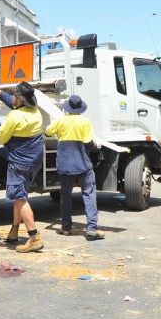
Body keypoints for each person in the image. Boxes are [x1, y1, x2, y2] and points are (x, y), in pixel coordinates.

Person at [0, 81, 45, 253]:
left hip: (19, 163)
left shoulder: (15, 117)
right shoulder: (35, 112)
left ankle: (34, 237)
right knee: (19, 197)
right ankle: (14, 232)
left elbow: (1, 138)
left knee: (19, 199)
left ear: (19, 99)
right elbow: (13, 102)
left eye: (14, 96)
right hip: (34, 162)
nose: (12, 97)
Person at [45, 95, 102, 240]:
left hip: (64, 164)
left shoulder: (61, 120)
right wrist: (96, 147)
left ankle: (66, 228)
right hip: (82, 163)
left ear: (68, 107)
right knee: (89, 193)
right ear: (80, 108)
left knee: (65, 196)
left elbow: (47, 132)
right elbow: (89, 143)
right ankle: (91, 228)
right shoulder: (85, 121)